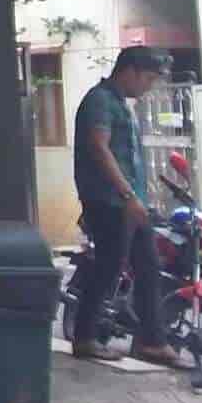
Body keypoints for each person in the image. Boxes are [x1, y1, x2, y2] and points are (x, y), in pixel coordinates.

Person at [70, 47, 181, 365]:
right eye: (148, 78)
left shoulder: (120, 104)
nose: (149, 86)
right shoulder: (100, 101)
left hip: (128, 202)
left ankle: (152, 341)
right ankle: (85, 337)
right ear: (130, 71)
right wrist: (129, 196)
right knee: (109, 266)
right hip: (109, 202)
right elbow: (99, 149)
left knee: (148, 267)